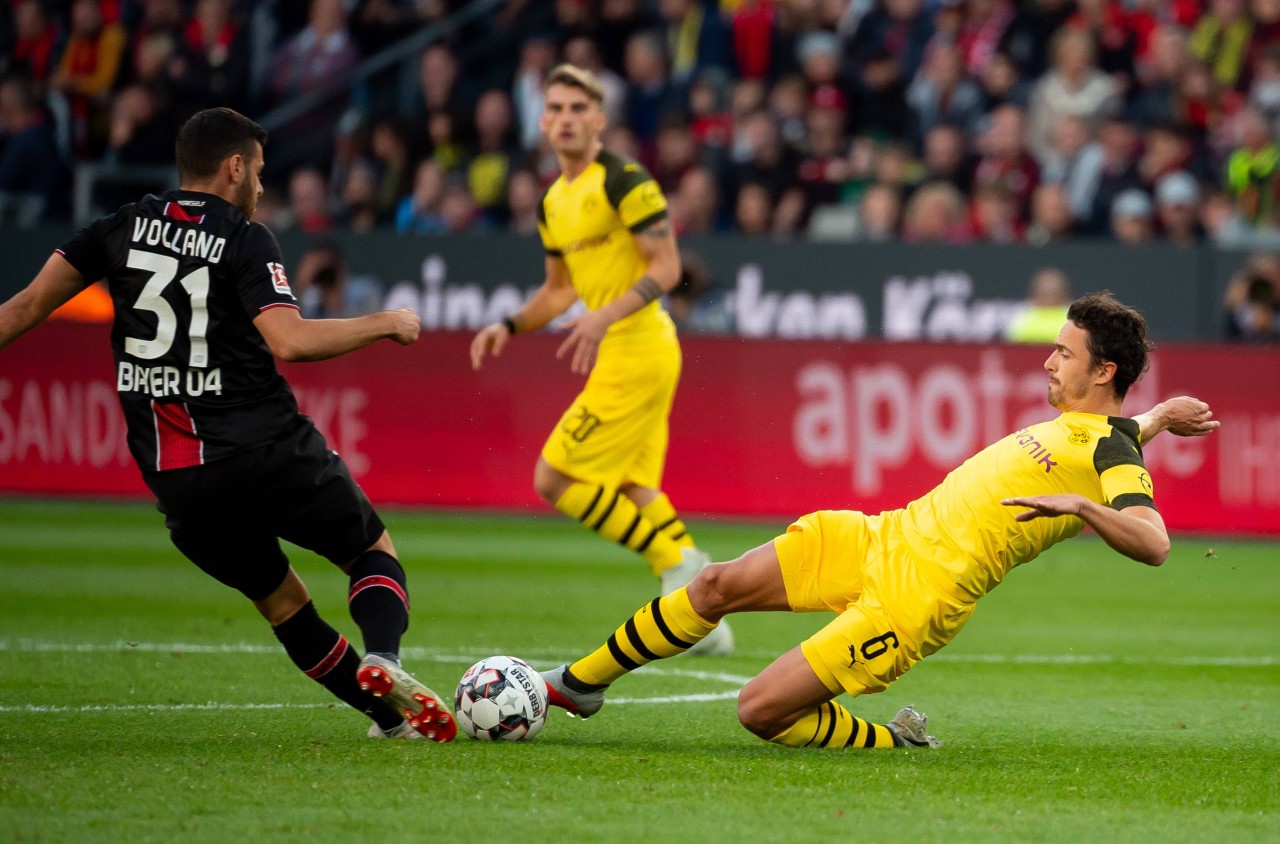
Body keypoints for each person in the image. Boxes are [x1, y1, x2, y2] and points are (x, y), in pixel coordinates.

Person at [537, 292, 1219, 750]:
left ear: (1102, 370)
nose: (1047, 359)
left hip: (916, 598)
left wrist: (1083, 508)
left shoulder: (1111, 450)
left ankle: (896, 739)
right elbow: (1121, 430)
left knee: (759, 709)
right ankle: (578, 683)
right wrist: (1159, 417)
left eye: (1064, 353)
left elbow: (1154, 543)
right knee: (715, 584)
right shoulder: (1104, 427)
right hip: (884, 534)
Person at [0, 108, 454, 743]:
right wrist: (386, 323)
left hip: (177, 477)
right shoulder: (245, 237)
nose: (263, 187)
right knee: (371, 552)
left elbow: (22, 307)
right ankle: (383, 657)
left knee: (284, 604)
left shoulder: (119, 228)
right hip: (263, 447)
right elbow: (289, 341)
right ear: (234, 167)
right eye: (259, 172)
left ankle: (388, 720)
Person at [469, 64, 733, 656]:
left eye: (577, 109)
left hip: (639, 348)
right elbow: (559, 290)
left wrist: (602, 316)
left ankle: (682, 568)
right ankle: (704, 617)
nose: (565, 118)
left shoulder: (626, 181)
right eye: (555, 108)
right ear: (542, 121)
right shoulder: (552, 202)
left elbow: (668, 269)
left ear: (599, 120)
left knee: (553, 477)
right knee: (636, 488)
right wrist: (509, 325)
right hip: (629, 349)